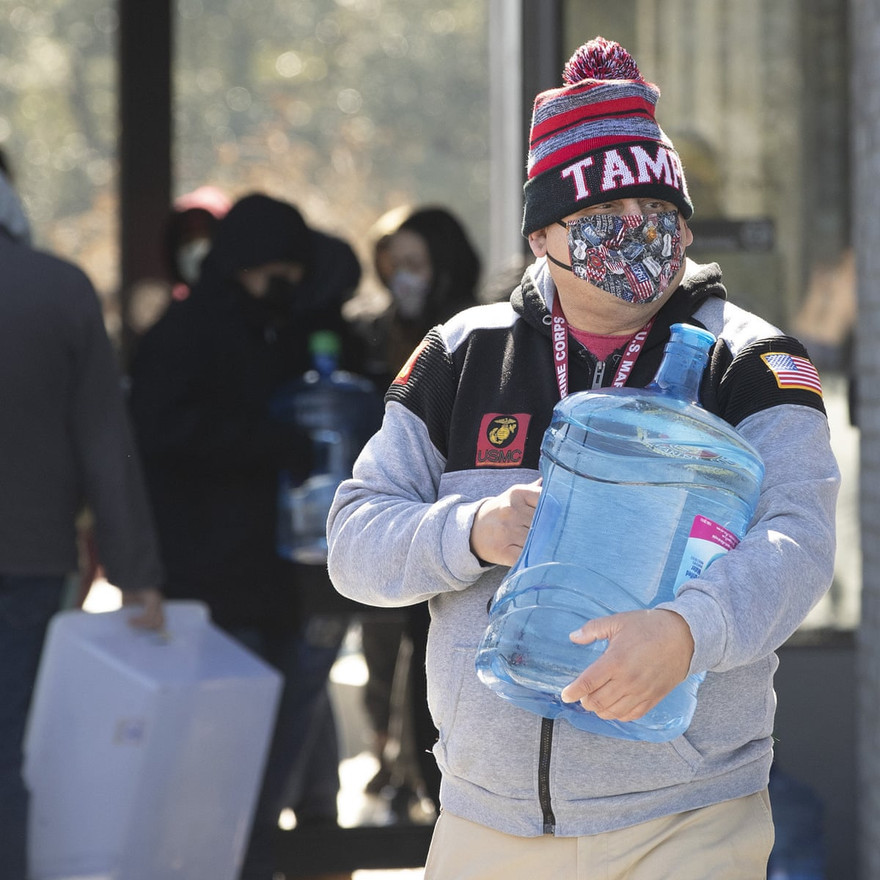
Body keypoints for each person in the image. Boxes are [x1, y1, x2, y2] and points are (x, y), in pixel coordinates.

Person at [327, 36, 839, 880]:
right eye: (609, 219)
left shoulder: (747, 363)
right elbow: (354, 542)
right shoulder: (461, 356)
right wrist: (474, 531)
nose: (642, 235)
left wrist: (686, 633)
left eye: (661, 213)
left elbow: (798, 541)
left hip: (685, 818)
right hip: (483, 820)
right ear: (543, 236)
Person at [128, 192, 365, 880]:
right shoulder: (194, 333)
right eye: (277, 274)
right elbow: (163, 433)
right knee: (225, 764)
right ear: (255, 266)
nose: (283, 288)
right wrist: (272, 443)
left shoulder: (258, 325)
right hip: (217, 577)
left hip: (258, 578)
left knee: (257, 759)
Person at [0, 167, 165, 878]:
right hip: (30, 560)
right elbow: (106, 444)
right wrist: (137, 574)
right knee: (8, 750)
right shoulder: (58, 289)